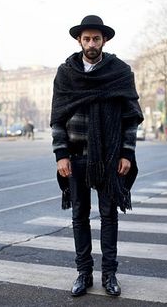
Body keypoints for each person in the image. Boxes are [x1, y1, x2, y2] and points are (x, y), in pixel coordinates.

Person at [50, 15, 143, 297]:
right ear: (79, 40)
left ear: (105, 40)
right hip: (76, 156)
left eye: (96, 38)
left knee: (108, 216)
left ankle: (110, 275)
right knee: (79, 216)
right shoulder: (66, 74)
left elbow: (130, 118)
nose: (91, 43)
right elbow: (57, 119)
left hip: (109, 156)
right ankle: (83, 273)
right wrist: (61, 154)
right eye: (87, 38)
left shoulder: (120, 72)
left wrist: (127, 152)